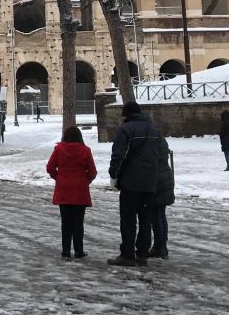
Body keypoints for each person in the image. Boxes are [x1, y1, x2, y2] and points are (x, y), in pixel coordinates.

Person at [107, 101, 165, 267]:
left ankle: (127, 254)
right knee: (146, 220)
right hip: (150, 182)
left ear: (126, 115)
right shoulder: (154, 131)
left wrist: (114, 174)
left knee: (128, 219)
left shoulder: (126, 130)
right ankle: (142, 253)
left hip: (131, 182)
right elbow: (161, 156)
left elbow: (119, 154)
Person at [47, 126, 97, 259]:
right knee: (78, 222)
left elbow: (50, 167)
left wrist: (58, 177)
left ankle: (66, 250)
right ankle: (79, 250)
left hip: (64, 189)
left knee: (66, 221)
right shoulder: (86, 151)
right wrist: (85, 180)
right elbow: (92, 172)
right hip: (80, 189)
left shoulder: (58, 149)